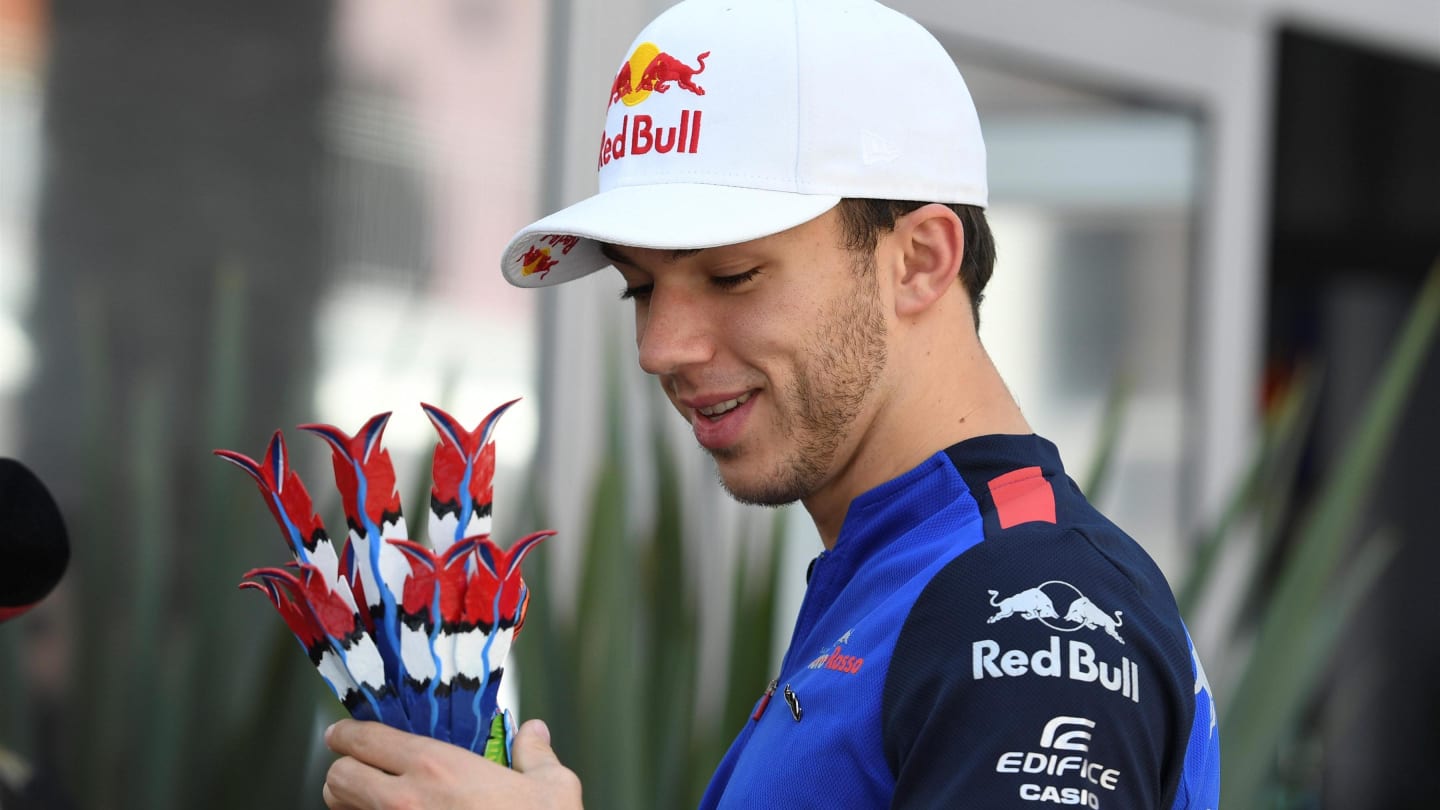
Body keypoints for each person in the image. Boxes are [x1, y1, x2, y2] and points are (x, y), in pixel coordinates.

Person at [322, 0, 1223, 807]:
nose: (659, 348)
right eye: (641, 289)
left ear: (919, 260)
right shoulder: (908, 575)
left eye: (732, 276)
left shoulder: (1024, 606)